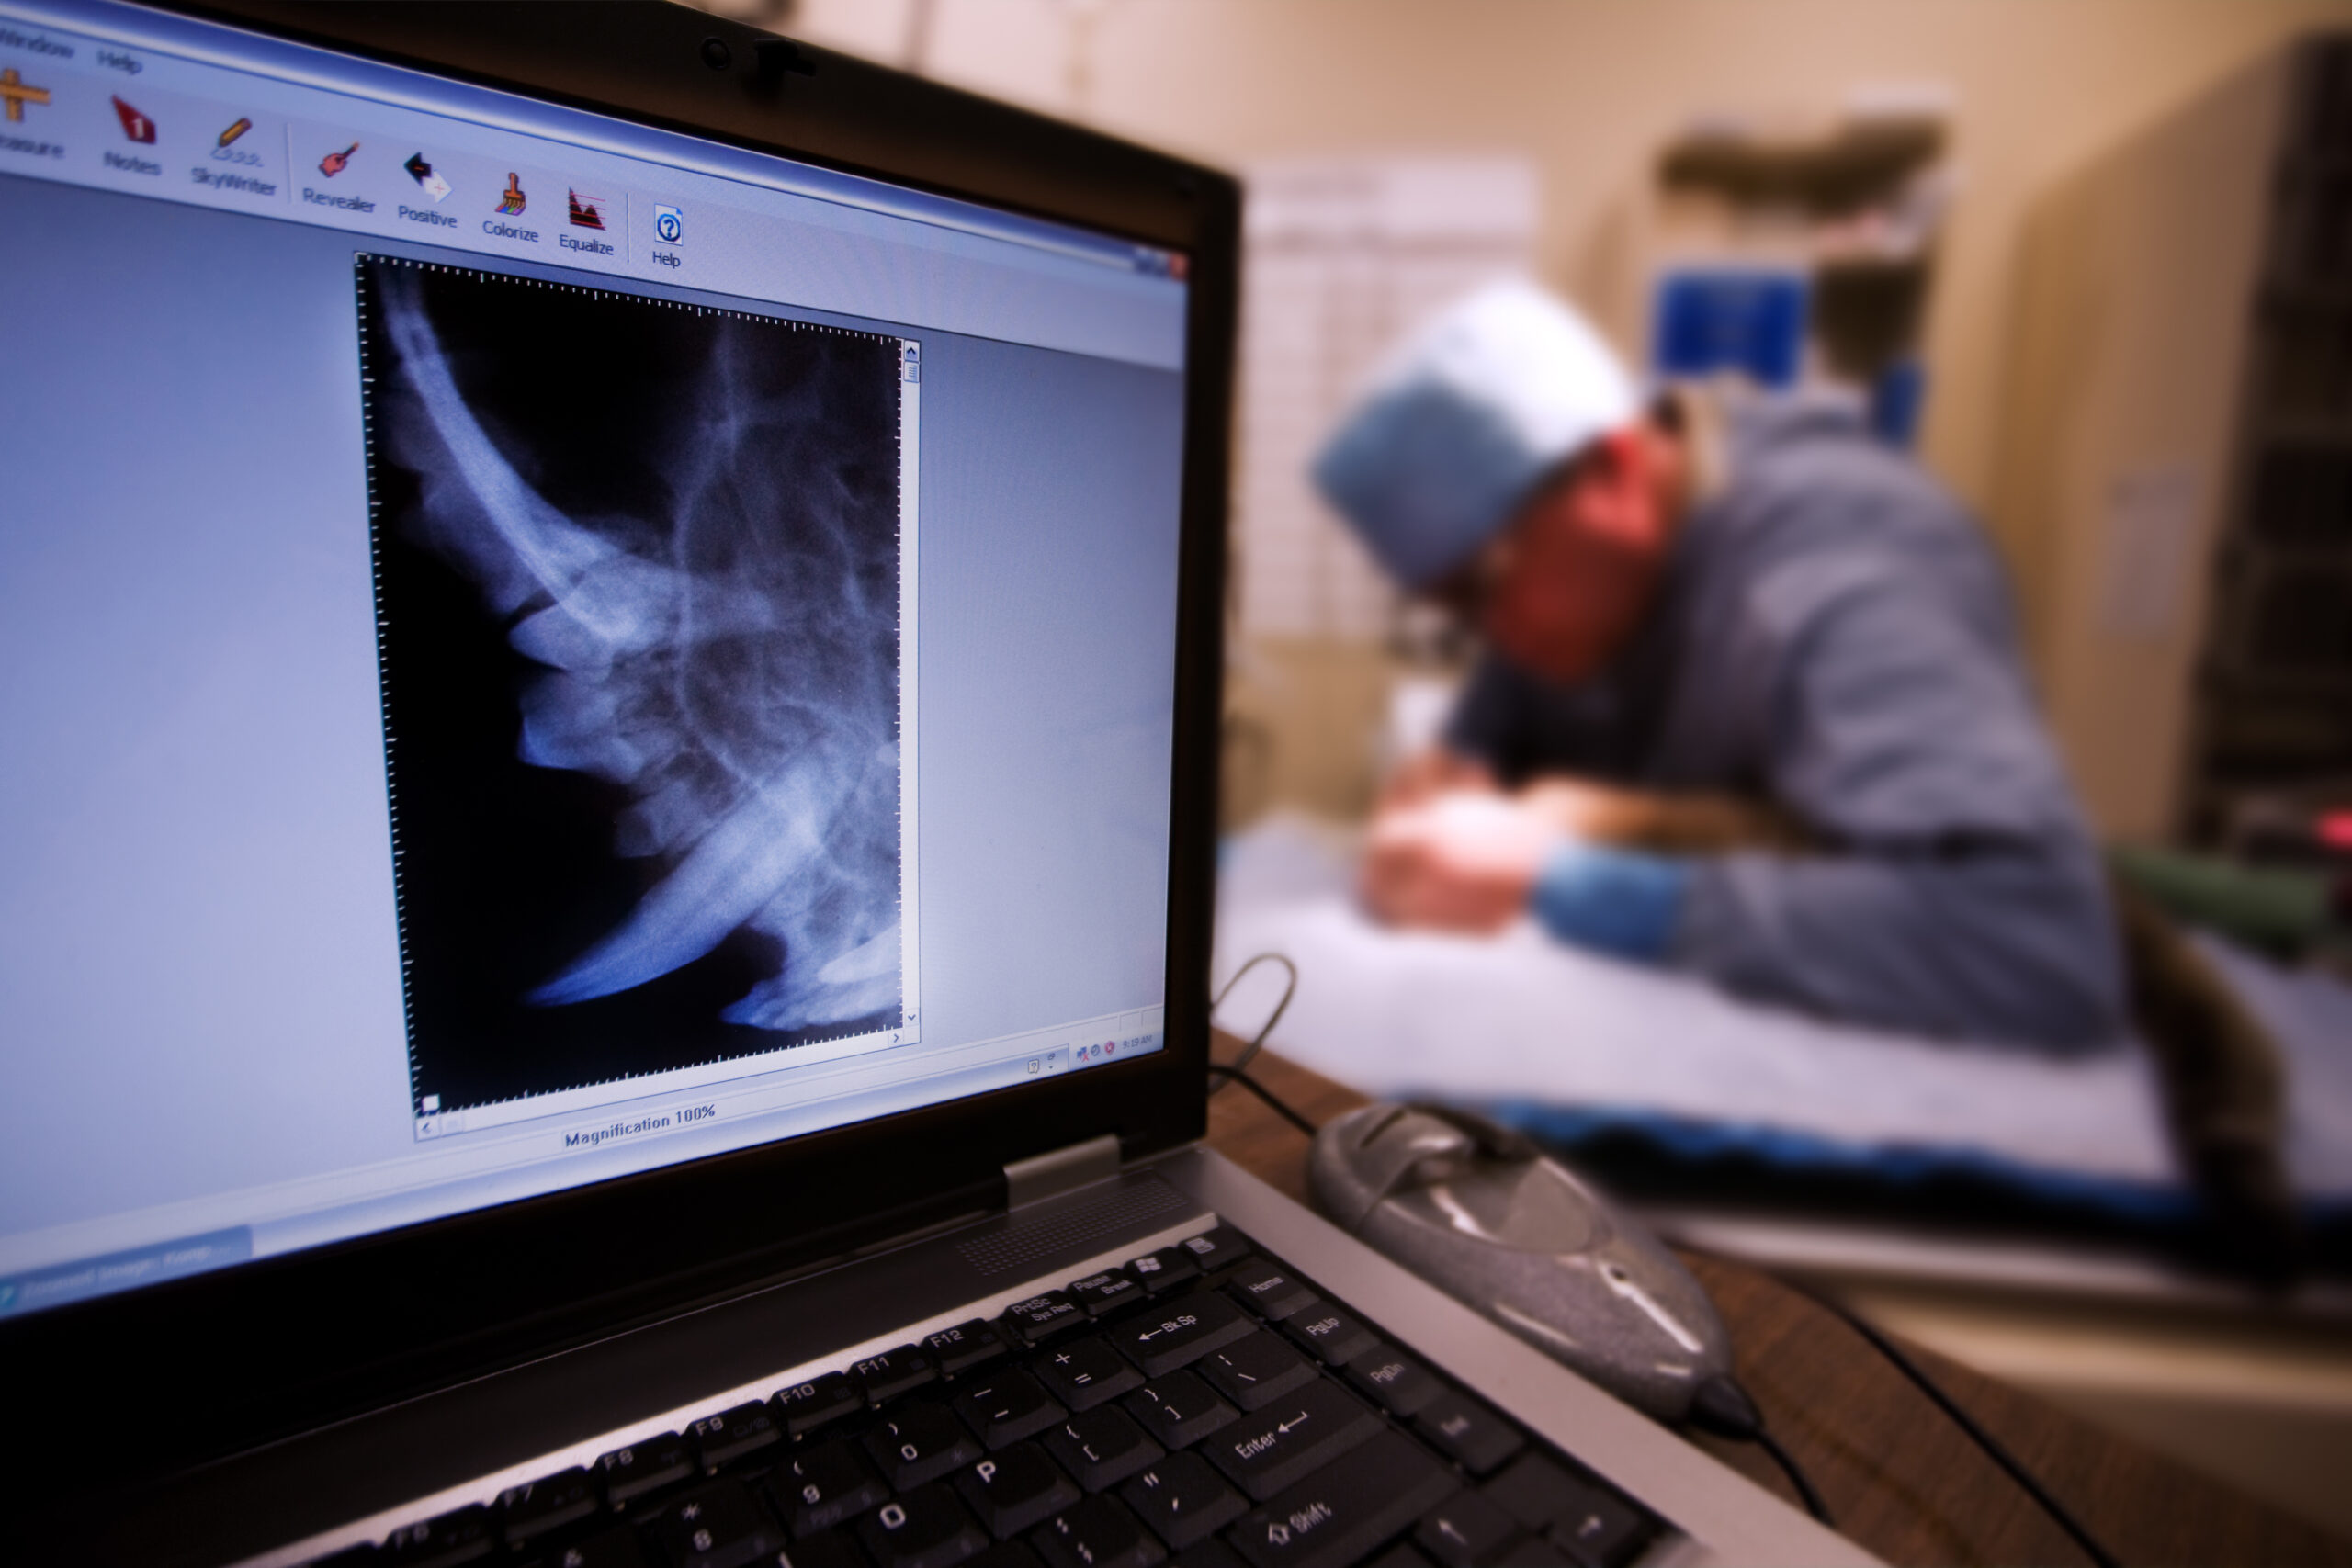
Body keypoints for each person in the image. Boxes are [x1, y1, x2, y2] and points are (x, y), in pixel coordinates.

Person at [1313, 280, 2126, 1052]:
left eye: (1484, 586)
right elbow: (1485, 750)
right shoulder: (1569, 594)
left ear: (1616, 466)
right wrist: (1446, 782)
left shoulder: (1836, 561)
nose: (1494, 637)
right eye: (1453, 614)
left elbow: (2036, 943)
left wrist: (1571, 888)